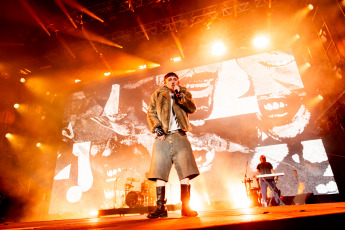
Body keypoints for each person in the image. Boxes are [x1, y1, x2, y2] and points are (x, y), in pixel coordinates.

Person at [146, 72, 200, 218]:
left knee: (185, 171)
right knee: (160, 171)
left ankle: (186, 207)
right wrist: (157, 128)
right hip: (163, 136)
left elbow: (191, 108)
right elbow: (151, 112)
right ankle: (161, 208)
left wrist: (179, 95)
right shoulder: (157, 94)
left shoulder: (183, 93)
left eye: (175, 79)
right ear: (165, 82)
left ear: (178, 81)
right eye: (169, 80)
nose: (173, 81)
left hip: (179, 134)